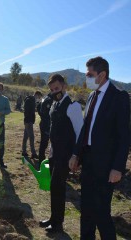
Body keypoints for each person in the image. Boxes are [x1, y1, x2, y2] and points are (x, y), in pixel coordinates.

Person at [69, 56, 130, 240]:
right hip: (87, 162)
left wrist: (118, 167)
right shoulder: (91, 96)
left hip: (106, 166)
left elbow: (124, 136)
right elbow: (85, 128)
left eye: (89, 74)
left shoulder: (118, 97)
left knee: (102, 212)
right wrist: (75, 154)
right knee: (86, 208)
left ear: (102, 75)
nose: (86, 78)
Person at [39, 74, 83, 233]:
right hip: (54, 153)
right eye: (51, 89)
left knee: (58, 186)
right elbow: (54, 130)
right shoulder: (54, 105)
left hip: (66, 155)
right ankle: (53, 218)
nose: (54, 92)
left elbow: (80, 133)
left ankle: (58, 223)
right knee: (54, 187)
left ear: (64, 86)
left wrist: (76, 156)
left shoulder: (73, 106)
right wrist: (50, 150)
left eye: (56, 88)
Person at [22, 91, 42, 159]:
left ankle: (24, 151)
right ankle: (33, 153)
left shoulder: (32, 100)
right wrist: (28, 120)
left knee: (25, 137)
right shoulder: (29, 100)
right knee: (31, 137)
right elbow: (26, 111)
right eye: (39, 97)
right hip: (28, 121)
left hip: (29, 121)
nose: (38, 98)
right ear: (36, 95)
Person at [36, 93, 53, 164]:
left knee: (43, 142)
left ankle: (41, 158)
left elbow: (38, 106)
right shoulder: (49, 100)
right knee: (45, 142)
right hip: (46, 124)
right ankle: (41, 160)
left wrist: (42, 116)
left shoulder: (45, 98)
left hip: (43, 123)